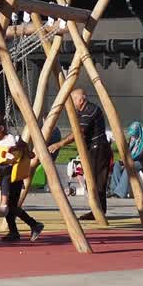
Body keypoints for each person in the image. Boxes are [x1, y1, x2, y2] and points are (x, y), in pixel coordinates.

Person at [50, 88, 112, 220]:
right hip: (91, 149)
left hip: (98, 149)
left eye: (73, 101)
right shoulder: (81, 112)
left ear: (80, 99)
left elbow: (79, 132)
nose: (71, 104)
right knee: (91, 181)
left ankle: (99, 211)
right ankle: (96, 209)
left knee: (96, 181)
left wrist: (59, 144)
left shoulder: (90, 110)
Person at [0, 137, 44, 243]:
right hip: (7, 177)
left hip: (15, 179)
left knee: (11, 207)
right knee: (10, 208)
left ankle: (33, 224)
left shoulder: (12, 140)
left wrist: (19, 147)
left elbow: (30, 154)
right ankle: (14, 232)